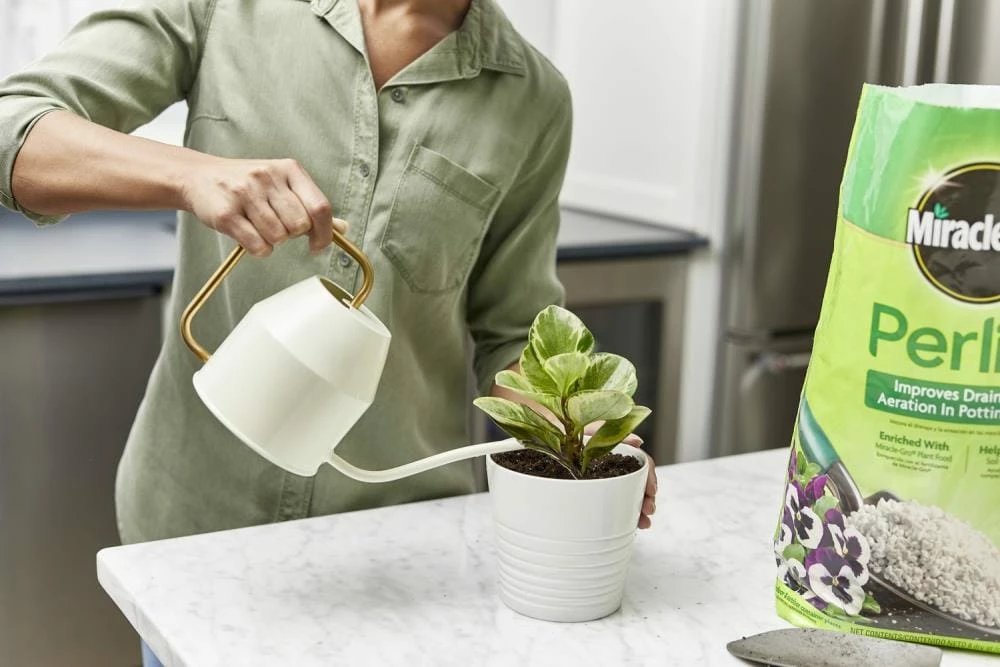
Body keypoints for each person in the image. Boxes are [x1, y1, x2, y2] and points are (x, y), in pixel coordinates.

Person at [0, 0, 657, 663]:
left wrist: (578, 434)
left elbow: (514, 330)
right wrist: (189, 174)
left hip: (396, 562)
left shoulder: (532, 98)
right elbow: (12, 130)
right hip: (195, 537)